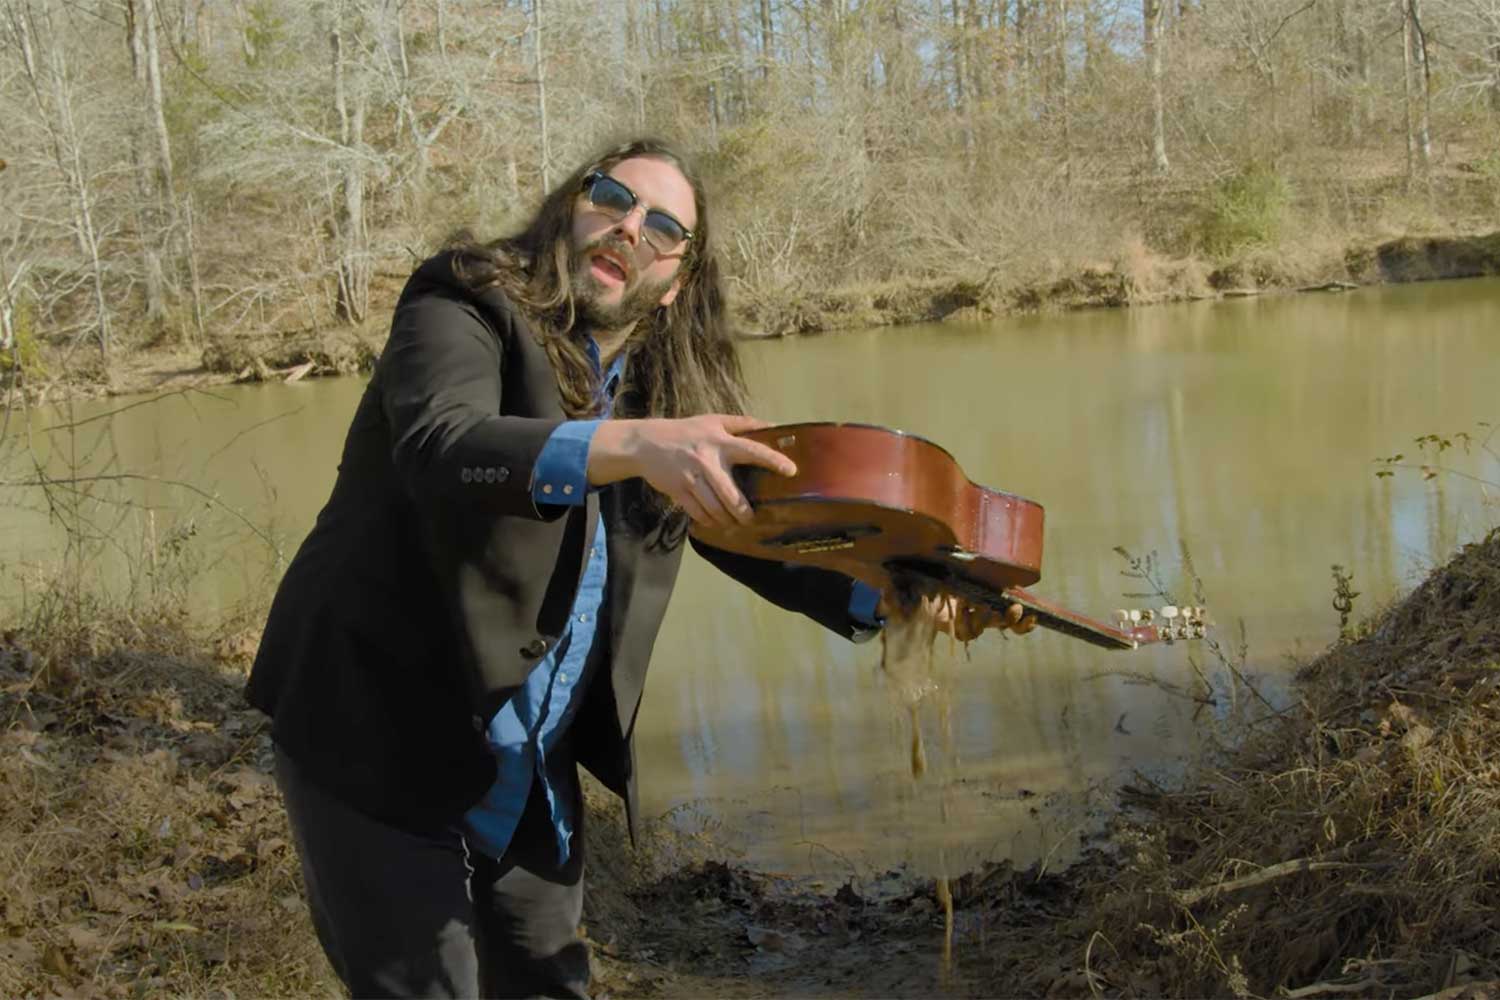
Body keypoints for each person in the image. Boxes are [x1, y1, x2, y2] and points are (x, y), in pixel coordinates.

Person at [246, 137, 1030, 999]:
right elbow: (442, 446)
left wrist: (890, 595)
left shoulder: (666, 382)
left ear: (680, 279)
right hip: (374, 734)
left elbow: (751, 533)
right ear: (569, 207)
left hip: (525, 772)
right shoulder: (465, 296)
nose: (630, 228)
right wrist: (634, 446)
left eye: (663, 225)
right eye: (613, 198)